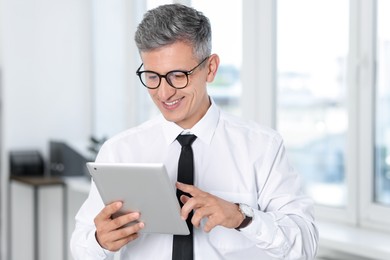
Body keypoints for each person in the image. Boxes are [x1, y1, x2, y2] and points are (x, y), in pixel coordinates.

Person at [70, 3, 318, 260]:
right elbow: (81, 246)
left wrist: (240, 217)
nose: (164, 93)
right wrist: (100, 241)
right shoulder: (120, 150)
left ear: (210, 68)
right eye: (152, 76)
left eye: (178, 75)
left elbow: (305, 246)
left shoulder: (262, 147)